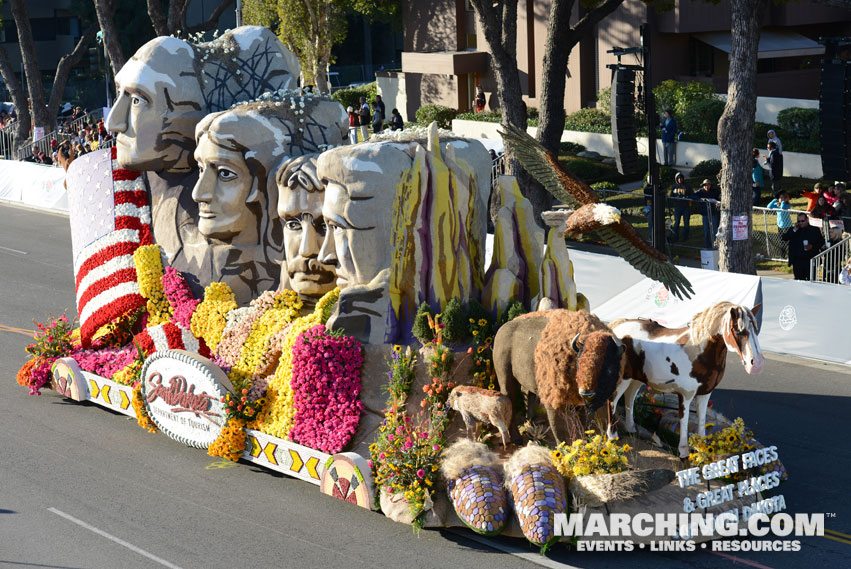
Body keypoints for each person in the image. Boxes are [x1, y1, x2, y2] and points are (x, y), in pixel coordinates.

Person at [781, 213, 825, 280]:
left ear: (807, 220)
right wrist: (794, 230)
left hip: (810, 260)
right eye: (799, 221)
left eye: (802, 221)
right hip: (797, 261)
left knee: (811, 280)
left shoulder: (814, 230)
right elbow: (784, 237)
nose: (801, 223)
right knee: (799, 281)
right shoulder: (794, 230)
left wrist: (812, 246)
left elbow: (821, 243)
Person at [693, 178, 721, 249]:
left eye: (708, 185)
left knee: (715, 230)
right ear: (703, 186)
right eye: (705, 185)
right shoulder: (700, 191)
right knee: (706, 230)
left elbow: (720, 196)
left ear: (710, 185)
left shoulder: (715, 191)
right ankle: (708, 246)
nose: (706, 186)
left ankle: (716, 245)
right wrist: (701, 199)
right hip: (705, 213)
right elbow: (693, 196)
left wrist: (718, 201)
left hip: (714, 213)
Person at [669, 172, 693, 241]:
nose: (680, 179)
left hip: (686, 207)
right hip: (677, 207)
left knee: (686, 223)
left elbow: (692, 194)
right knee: (676, 223)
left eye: (681, 178)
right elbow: (671, 196)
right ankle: (676, 237)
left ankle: (685, 238)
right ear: (676, 179)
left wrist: (687, 197)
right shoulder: (674, 186)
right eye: (678, 178)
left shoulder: (687, 186)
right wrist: (675, 199)